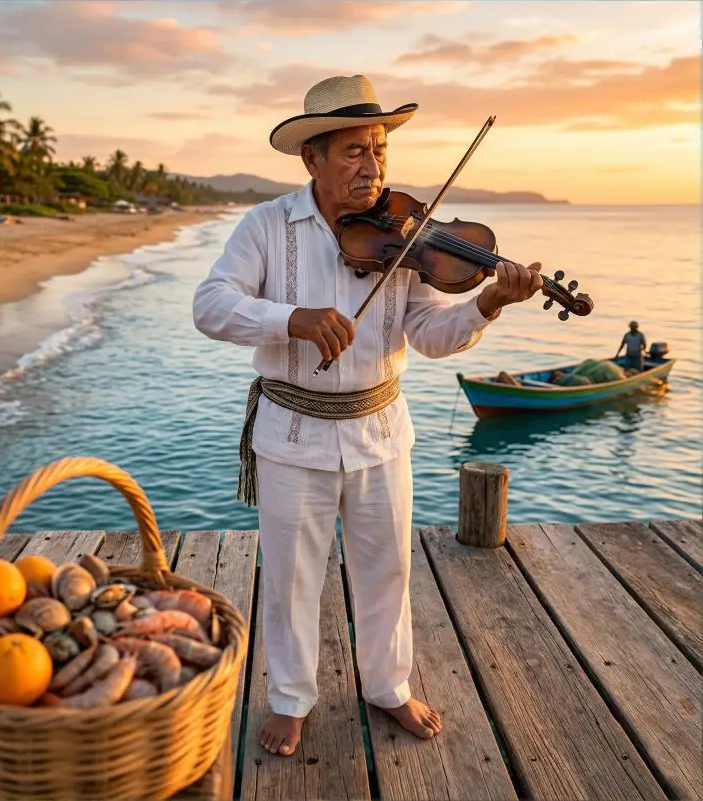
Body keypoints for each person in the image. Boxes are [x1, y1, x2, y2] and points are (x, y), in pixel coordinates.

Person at [192, 74, 543, 758]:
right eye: (353, 149)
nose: (372, 164)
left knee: (386, 569)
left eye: (379, 148)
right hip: (290, 432)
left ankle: (386, 685)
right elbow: (209, 305)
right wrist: (289, 318)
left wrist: (488, 302)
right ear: (311, 159)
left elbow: (433, 335)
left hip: (381, 430)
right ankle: (291, 697)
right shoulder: (265, 226)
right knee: (292, 574)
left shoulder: (408, 236)